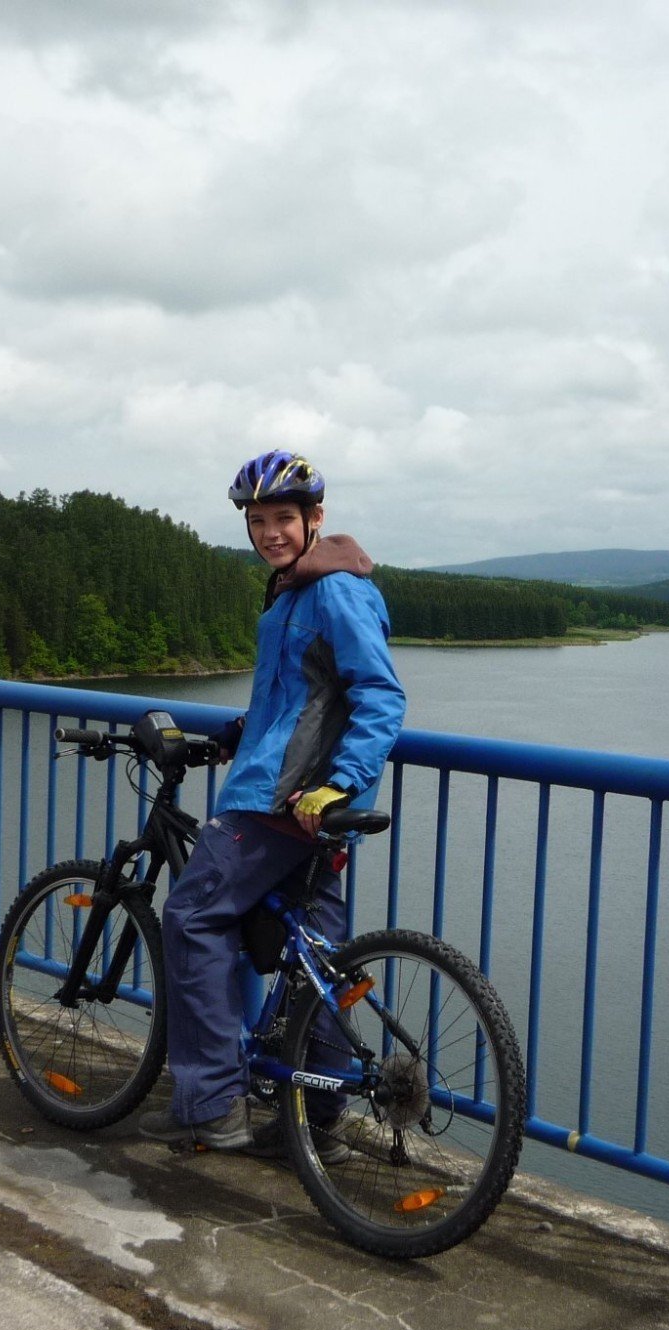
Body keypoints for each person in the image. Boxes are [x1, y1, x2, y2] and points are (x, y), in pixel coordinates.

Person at [142, 450, 406, 1152]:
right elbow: (301, 696)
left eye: (283, 519)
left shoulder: (333, 591)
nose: (269, 533)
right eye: (258, 522)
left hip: (284, 804)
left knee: (193, 916)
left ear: (315, 519)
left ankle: (213, 1102)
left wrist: (339, 783)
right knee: (314, 957)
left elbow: (380, 695)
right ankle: (313, 1123)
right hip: (302, 801)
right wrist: (238, 734)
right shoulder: (296, 589)